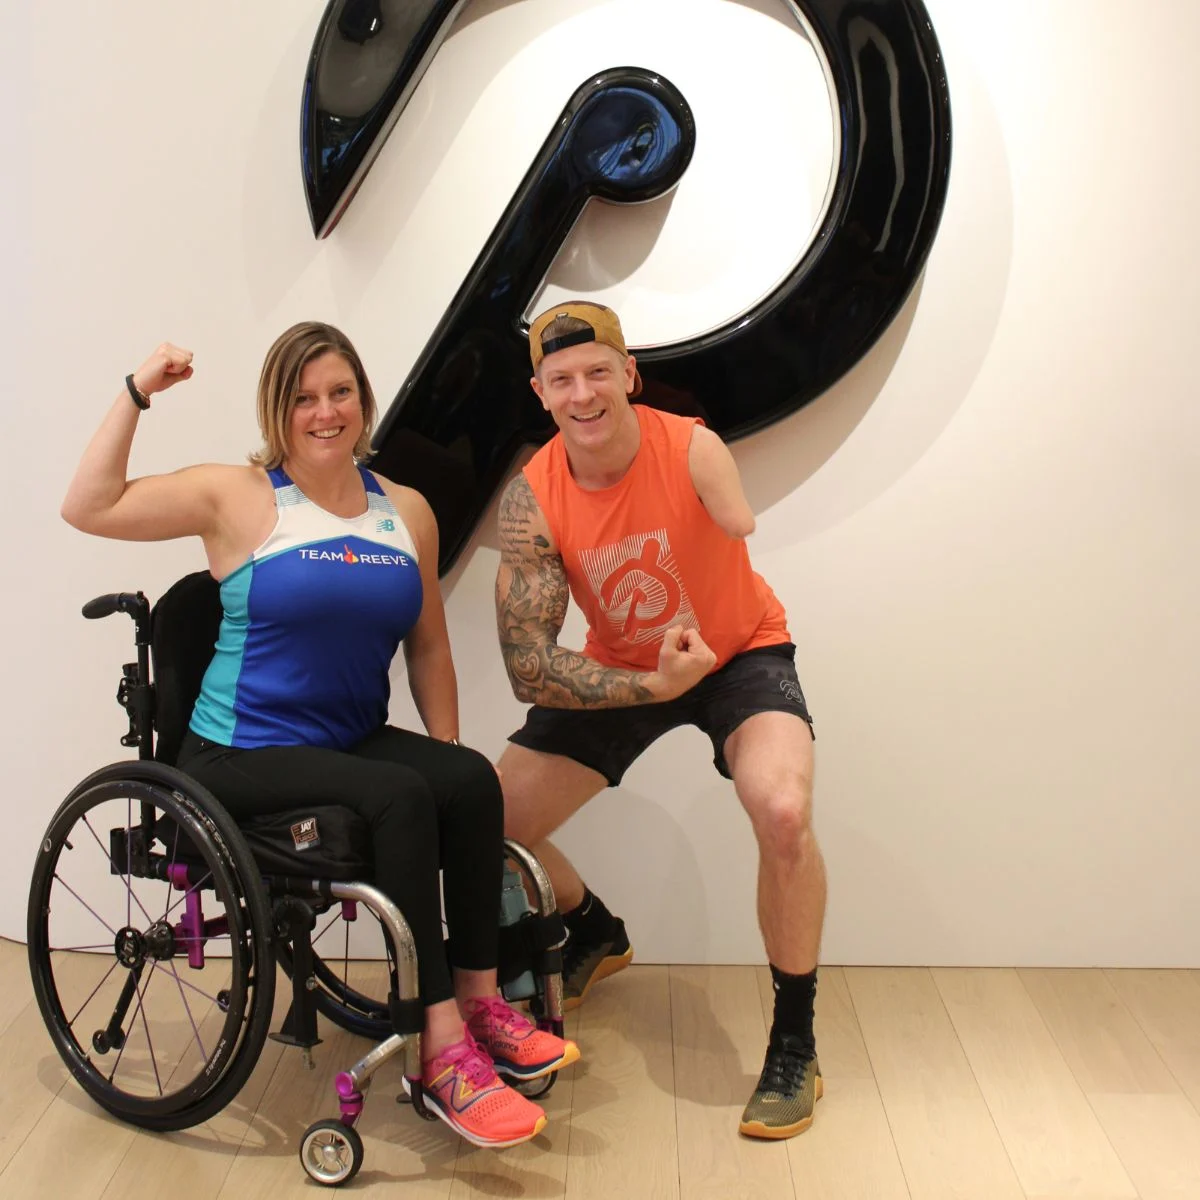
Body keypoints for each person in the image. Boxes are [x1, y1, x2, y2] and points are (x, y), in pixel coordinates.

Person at [60, 322, 578, 1150]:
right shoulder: (238, 495)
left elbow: (430, 643)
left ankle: (480, 1002)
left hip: (344, 740)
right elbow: (87, 505)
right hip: (238, 754)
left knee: (470, 779)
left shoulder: (402, 509)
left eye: (340, 392)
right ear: (279, 409)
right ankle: (440, 1049)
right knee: (401, 797)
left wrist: (445, 746)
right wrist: (136, 391)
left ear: (363, 402)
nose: (324, 412)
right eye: (303, 398)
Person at [494, 301, 826, 1140]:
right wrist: (650, 684)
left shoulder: (691, 445)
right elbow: (528, 667)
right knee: (487, 818)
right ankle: (592, 929)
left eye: (598, 371)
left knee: (782, 811)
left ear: (628, 374)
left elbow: (736, 520)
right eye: (562, 379)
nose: (583, 394)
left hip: (741, 652)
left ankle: (795, 1043)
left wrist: (729, 512)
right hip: (630, 669)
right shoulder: (534, 496)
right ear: (540, 392)